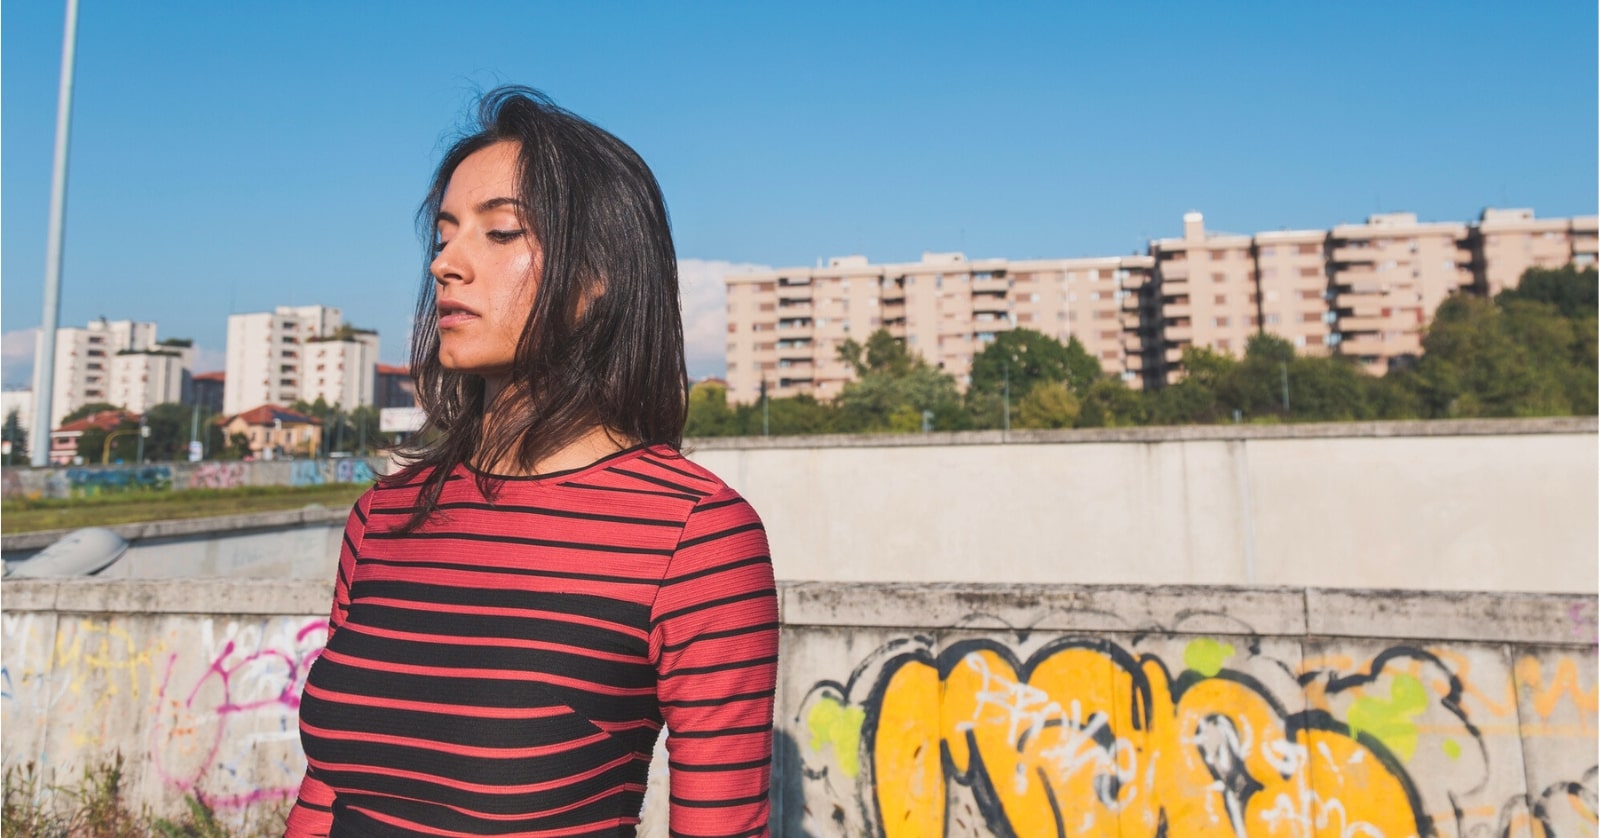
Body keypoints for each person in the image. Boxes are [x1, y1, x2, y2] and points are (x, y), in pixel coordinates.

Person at [284, 87, 778, 837]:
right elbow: (325, 794)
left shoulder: (695, 536)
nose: (447, 263)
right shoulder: (383, 516)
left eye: (502, 232)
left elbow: (723, 826)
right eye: (444, 234)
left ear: (599, 275)